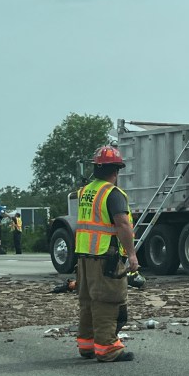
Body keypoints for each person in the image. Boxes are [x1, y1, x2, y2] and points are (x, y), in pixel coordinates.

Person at [74, 145, 139, 362]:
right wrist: (131, 254)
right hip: (106, 256)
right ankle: (107, 347)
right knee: (107, 300)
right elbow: (122, 224)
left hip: (85, 255)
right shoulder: (112, 193)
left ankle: (87, 344)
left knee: (88, 300)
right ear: (116, 171)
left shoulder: (85, 191)